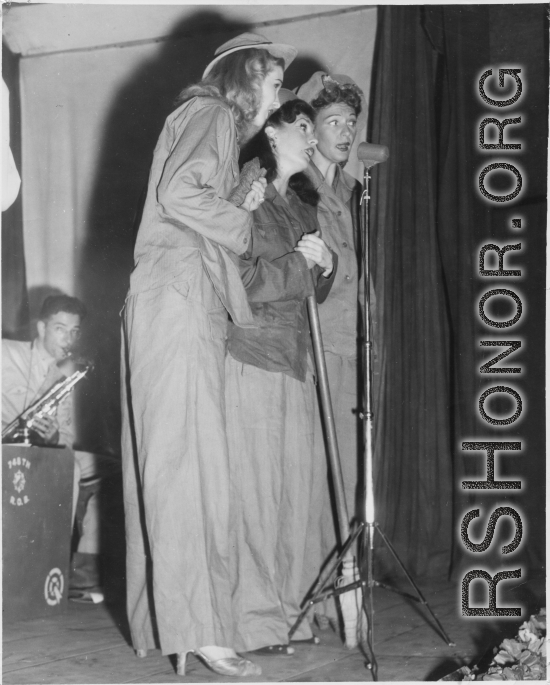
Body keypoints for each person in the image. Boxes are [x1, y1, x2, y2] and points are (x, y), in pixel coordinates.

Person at [120, 33, 297, 678]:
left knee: (170, 464)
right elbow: (180, 196)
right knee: (192, 467)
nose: (276, 101)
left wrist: (233, 208)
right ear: (248, 80)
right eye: (275, 86)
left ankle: (168, 625)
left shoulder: (200, 118)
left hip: (169, 299)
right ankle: (200, 630)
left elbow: (187, 203)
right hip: (177, 300)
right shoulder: (215, 113)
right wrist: (244, 226)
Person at [225, 95, 337, 655]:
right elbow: (237, 278)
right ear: (271, 131)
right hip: (254, 356)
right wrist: (301, 264)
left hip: (297, 361)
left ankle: (292, 615)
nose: (312, 136)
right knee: (258, 495)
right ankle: (254, 622)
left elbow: (308, 288)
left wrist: (326, 266)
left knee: (297, 496)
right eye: (302, 125)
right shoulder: (247, 187)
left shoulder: (302, 203)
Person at [294, 72, 368, 629]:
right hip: (314, 347)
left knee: (345, 473)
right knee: (317, 475)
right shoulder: (301, 186)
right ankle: (317, 598)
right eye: (332, 123)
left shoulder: (349, 189)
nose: (345, 132)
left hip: (349, 347)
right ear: (309, 130)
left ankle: (340, 593)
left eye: (350, 122)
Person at [2, 294, 105, 603]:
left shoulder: (68, 373)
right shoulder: (7, 352)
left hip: (39, 451)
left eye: (75, 331)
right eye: (61, 328)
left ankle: (80, 579)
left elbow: (68, 435)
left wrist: (56, 435)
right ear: (41, 327)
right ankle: (49, 567)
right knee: (72, 470)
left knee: (107, 472)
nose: (69, 338)